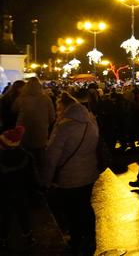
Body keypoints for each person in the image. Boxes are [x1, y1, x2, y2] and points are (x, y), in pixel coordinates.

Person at [41, 92, 99, 255]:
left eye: (58, 107)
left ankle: (76, 239)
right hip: (89, 172)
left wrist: (46, 180)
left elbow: (52, 156)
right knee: (86, 206)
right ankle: (90, 236)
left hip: (69, 175)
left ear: (63, 106)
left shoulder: (64, 125)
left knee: (72, 209)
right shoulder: (91, 121)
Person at [0, 126, 36, 250]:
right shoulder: (27, 157)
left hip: (4, 193)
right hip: (21, 192)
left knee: (4, 217)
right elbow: (32, 177)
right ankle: (28, 237)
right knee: (23, 215)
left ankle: (4, 239)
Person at [13, 77, 55, 169]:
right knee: (39, 156)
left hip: (23, 131)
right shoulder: (46, 99)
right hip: (40, 131)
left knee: (24, 155)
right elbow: (52, 117)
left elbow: (14, 110)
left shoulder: (21, 98)